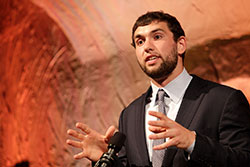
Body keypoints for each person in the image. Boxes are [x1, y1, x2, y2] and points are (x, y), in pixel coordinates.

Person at [66, 11, 250, 167]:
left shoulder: (224, 100)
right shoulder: (130, 114)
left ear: (180, 45)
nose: (147, 47)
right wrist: (107, 158)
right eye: (139, 41)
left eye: (157, 37)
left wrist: (193, 143)